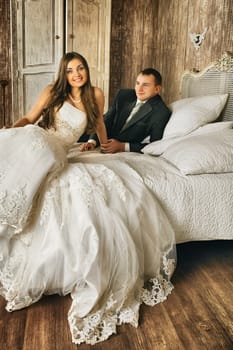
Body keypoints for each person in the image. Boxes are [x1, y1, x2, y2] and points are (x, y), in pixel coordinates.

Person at [0, 52, 176, 345]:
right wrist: (11, 129)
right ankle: (9, 211)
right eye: (70, 71)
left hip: (61, 149)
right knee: (22, 152)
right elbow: (31, 119)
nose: (76, 74)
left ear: (86, 70)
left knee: (46, 160)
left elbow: (99, 123)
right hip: (40, 137)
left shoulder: (95, 93)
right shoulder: (52, 92)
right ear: (64, 74)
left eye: (80, 68)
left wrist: (103, 145)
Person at [80, 68, 171, 153]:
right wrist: (92, 142)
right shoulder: (123, 95)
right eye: (137, 83)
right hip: (100, 138)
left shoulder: (161, 112)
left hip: (120, 149)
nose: (139, 89)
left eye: (145, 85)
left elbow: (155, 146)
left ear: (157, 89)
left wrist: (123, 146)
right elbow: (106, 120)